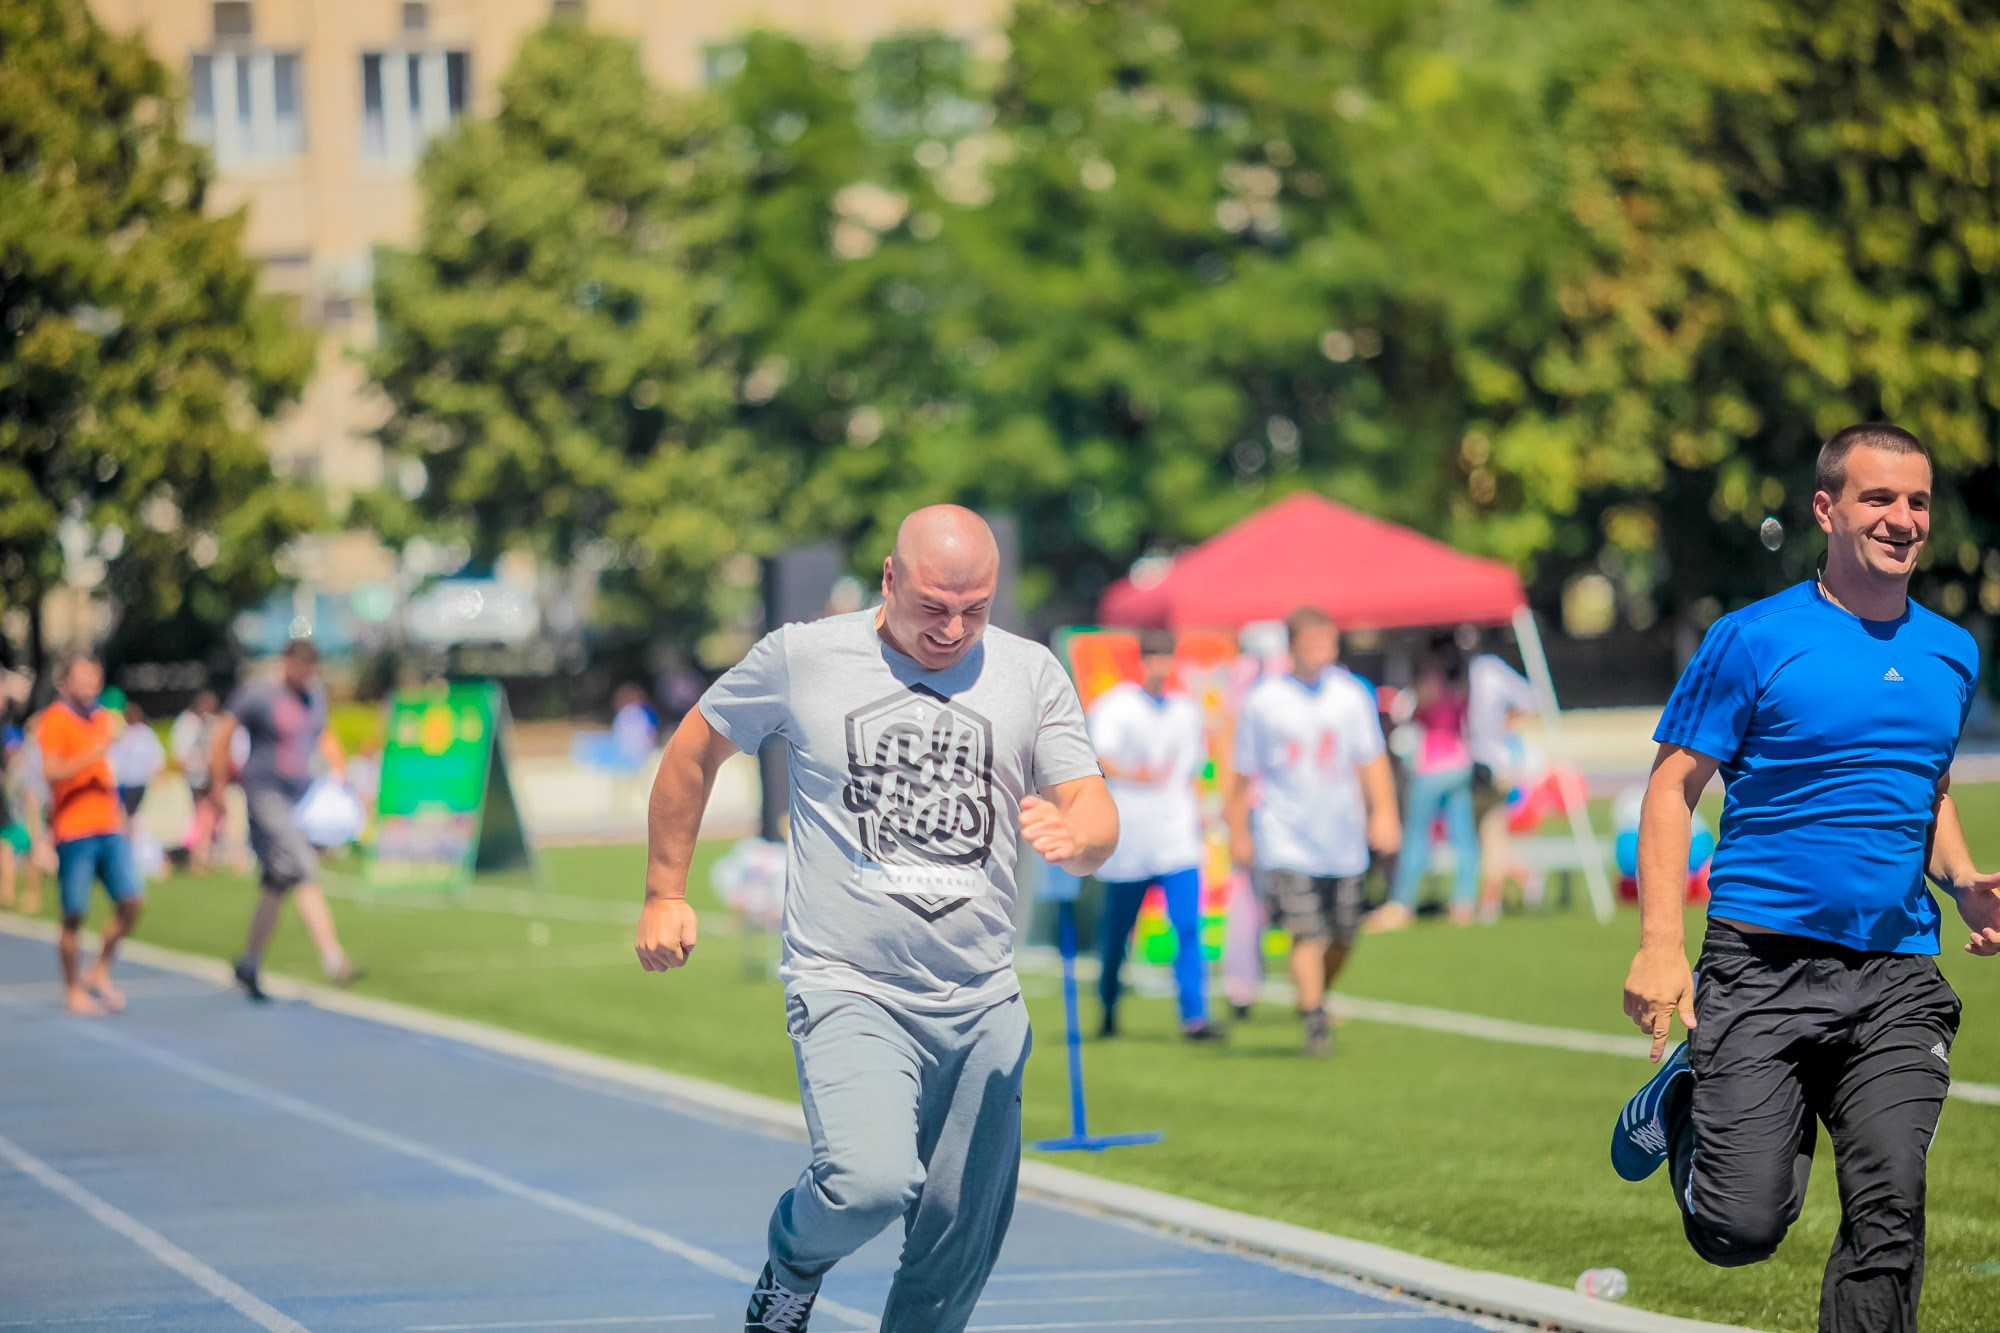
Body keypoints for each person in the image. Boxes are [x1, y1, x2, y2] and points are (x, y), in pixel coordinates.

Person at [634, 505, 1117, 1333]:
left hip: (982, 999)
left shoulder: (1031, 671)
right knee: (869, 1179)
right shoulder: (804, 656)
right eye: (933, 605)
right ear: (889, 579)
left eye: (976, 608)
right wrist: (663, 890)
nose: (954, 629)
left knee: (957, 1238)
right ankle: (792, 1261)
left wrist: (1080, 836)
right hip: (849, 985)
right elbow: (694, 748)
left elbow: (1092, 802)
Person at [1612, 423, 1997, 1333]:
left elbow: (1923, 784)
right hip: (1762, 965)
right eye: (1878, 499)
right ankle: (1692, 1099)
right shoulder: (1753, 638)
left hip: (1898, 974)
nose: (1902, 520)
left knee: (1890, 1212)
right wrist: (1661, 946)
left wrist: (1964, 877)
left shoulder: (1951, 651)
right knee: (1739, 1226)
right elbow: (1672, 789)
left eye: (1917, 501)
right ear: (1827, 509)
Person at [1225, 607, 1399, 1057]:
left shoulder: (1351, 694)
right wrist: (1240, 832)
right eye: (1312, 642)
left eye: (1328, 642)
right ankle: (1315, 1018)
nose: (1322, 650)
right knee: (1308, 932)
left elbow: (1371, 759)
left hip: (1342, 838)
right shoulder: (1265, 700)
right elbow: (1242, 774)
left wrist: (1384, 813)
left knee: (1344, 935)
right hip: (1286, 837)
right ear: (1292, 646)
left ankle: (1314, 994)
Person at [1088, 628, 1221, 1041]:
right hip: (1129, 837)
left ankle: (1194, 1016)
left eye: (1167, 658)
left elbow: (1193, 769)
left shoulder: (1186, 709)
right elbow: (1098, 756)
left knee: (1186, 925)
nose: (1160, 668)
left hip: (1176, 837)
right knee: (1117, 934)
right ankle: (1108, 1006)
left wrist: (1201, 812)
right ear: (1141, 661)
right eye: (1153, 658)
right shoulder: (1116, 706)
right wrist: (1136, 775)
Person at [210, 638, 360, 1000]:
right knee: (303, 866)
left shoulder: (313, 698)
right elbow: (223, 736)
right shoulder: (259, 694)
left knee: (277, 881)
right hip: (265, 797)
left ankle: (249, 963)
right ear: (286, 663)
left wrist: (341, 779)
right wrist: (217, 788)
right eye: (301, 666)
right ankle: (334, 958)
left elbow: (324, 738)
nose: (306, 674)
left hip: (300, 801)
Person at [32, 657, 144, 1015]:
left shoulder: (102, 719)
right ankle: (72, 989)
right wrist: (92, 752)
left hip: (108, 825)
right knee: (74, 914)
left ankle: (99, 970)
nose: (90, 687)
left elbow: (113, 770)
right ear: (66, 683)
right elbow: (51, 772)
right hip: (74, 828)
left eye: (94, 680)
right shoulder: (56, 720)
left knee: (133, 901)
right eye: (82, 680)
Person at [1376, 640, 1480, 928]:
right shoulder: (1463, 689)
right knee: (1464, 836)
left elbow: (1410, 715)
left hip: (1432, 768)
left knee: (1416, 836)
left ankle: (1402, 901)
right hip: (1460, 764)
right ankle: (1464, 902)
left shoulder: (1430, 687)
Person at [1467, 648, 1539, 921]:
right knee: (1488, 837)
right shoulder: (1480, 670)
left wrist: (1505, 723)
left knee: (1491, 835)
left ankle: (1491, 901)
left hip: (1492, 766)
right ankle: (1523, 878)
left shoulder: (1488, 668)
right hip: (1475, 764)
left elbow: (1531, 699)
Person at [170, 688, 224, 870]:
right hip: (192, 776)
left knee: (206, 814)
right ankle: (195, 855)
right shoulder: (187, 723)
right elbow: (180, 753)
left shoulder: (208, 723)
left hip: (205, 775)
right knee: (198, 815)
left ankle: (201, 854)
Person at [0, 725, 42, 914]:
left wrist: (34, 827)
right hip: (14, 820)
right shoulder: (11, 768)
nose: (12, 751)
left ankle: (30, 897)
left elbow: (31, 798)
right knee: (9, 853)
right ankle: (8, 892)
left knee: (29, 858)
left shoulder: (24, 769)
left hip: (25, 820)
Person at [106, 692, 165, 817]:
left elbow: (157, 757)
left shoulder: (145, 733)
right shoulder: (122, 733)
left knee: (137, 817)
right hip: (124, 784)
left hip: (141, 783)